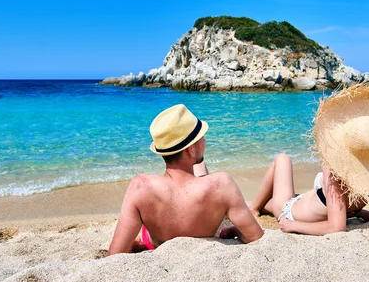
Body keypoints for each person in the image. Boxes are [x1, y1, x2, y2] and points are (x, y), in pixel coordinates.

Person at [249, 83, 369, 235]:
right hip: (306, 204)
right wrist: (363, 213)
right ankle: (258, 207)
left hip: (291, 213)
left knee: (282, 159)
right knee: (282, 194)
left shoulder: (335, 169)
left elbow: (336, 227)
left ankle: (254, 209)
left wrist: (292, 225)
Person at [107, 104, 263, 255]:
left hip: (154, 243)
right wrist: (235, 231)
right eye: (202, 137)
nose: (205, 141)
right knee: (203, 174)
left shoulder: (140, 186)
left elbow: (115, 254)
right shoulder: (222, 184)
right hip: (202, 222)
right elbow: (255, 237)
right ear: (191, 149)